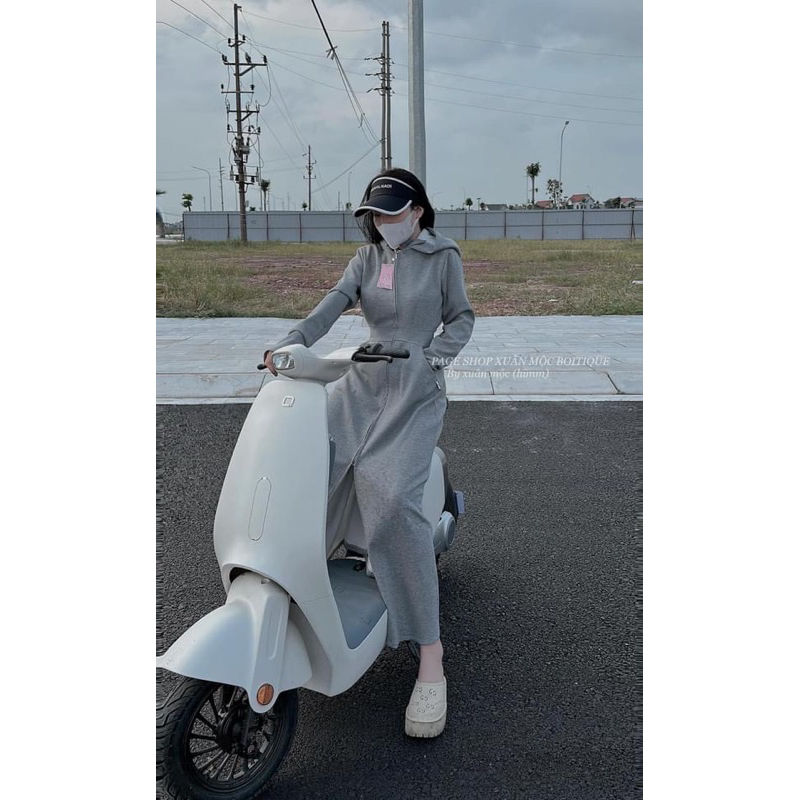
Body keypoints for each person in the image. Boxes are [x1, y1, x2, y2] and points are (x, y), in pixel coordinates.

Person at [263, 168, 474, 738]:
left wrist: (432, 358)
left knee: (393, 500)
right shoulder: (365, 259)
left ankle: (430, 655)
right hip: (360, 385)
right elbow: (333, 304)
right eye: (376, 215)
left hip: (414, 393)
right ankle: (297, 587)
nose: (383, 222)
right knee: (309, 472)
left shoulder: (443, 257)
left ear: (417, 212)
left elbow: (462, 317)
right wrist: (293, 341)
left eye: (392, 213)